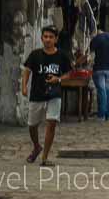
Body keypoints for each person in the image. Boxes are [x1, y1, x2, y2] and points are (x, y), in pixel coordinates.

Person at [22, 26, 72, 166]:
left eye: (51, 37)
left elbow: (68, 74)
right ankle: (37, 146)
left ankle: (44, 158)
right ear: (42, 38)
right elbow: (27, 70)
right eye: (45, 37)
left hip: (54, 94)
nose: (48, 39)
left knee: (51, 124)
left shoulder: (62, 56)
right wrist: (24, 86)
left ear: (56, 39)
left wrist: (59, 79)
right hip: (37, 94)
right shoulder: (35, 55)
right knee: (32, 125)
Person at [88, 28, 109, 121]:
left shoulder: (95, 39)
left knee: (101, 91)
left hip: (98, 68)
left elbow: (90, 56)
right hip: (108, 68)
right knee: (108, 90)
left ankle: (101, 115)